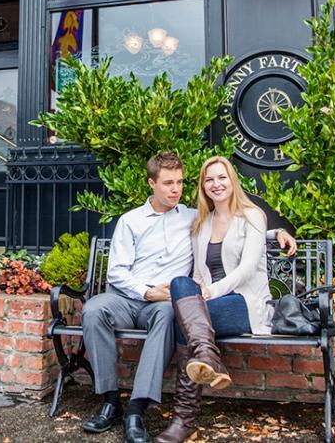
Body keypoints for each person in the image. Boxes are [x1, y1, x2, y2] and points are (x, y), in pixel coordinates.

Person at [81, 152, 295, 443]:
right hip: (132, 297)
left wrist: (277, 232)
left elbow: (243, 238)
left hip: (198, 302)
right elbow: (116, 273)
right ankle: (110, 400)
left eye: (180, 182)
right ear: (151, 183)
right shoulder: (143, 221)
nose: (175, 189)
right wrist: (147, 291)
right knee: (95, 309)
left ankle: (139, 408)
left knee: (176, 310)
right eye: (168, 183)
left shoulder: (197, 217)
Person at [156, 155, 282, 443]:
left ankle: (184, 419)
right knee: (180, 283)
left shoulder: (252, 216)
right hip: (210, 305)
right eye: (209, 179)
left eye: (221, 177)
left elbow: (247, 267)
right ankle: (208, 357)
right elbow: (198, 275)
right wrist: (198, 289)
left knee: (183, 321)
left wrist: (211, 292)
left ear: (232, 180)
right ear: (203, 186)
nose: (216, 184)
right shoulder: (202, 223)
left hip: (245, 304)